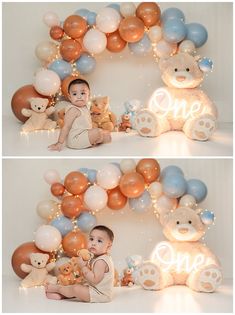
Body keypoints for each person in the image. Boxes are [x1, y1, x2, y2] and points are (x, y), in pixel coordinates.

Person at [45, 225, 115, 303]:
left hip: (100, 295)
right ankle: (63, 294)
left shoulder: (101, 261)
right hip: (93, 289)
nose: (93, 243)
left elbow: (95, 280)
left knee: (76, 289)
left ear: (109, 246)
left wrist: (83, 267)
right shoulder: (96, 257)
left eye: (99, 241)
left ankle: (57, 289)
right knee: (77, 286)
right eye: (91, 239)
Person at [48, 79, 111, 151]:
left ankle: (97, 140)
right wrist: (59, 143)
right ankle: (96, 140)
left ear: (88, 95)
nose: (79, 97)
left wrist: (99, 111)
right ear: (70, 97)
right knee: (98, 132)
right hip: (75, 139)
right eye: (74, 94)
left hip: (83, 134)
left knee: (105, 134)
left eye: (82, 93)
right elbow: (66, 127)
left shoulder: (85, 107)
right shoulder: (73, 110)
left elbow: (93, 112)